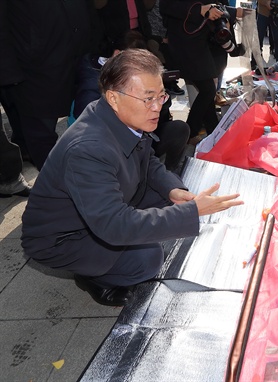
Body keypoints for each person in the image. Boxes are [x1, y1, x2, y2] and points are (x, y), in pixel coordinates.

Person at [21, 49, 244, 307]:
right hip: (64, 237)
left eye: (161, 96)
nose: (158, 107)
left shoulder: (114, 114)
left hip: (97, 210)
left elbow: (146, 160)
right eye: (148, 99)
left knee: (168, 201)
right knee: (147, 260)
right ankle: (93, 276)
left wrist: (172, 189)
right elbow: (114, 225)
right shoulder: (88, 149)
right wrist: (191, 213)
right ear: (114, 98)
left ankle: (105, 258)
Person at [73, 30, 190, 172]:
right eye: (135, 65)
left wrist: (157, 95)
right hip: (113, 140)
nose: (140, 70)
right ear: (117, 55)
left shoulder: (129, 78)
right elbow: (93, 124)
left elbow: (158, 120)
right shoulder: (92, 87)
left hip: (135, 136)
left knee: (178, 130)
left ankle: (169, 173)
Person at [1, 0, 93, 171]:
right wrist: (9, 72)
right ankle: (58, 189)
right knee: (41, 137)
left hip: (78, 59)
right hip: (34, 69)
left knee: (87, 126)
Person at [161, 1, 244, 142]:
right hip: (185, 43)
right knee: (208, 90)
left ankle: (212, 130)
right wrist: (200, 10)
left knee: (208, 91)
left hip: (199, 42)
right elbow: (166, 6)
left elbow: (210, 5)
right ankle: (191, 132)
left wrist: (230, 12)